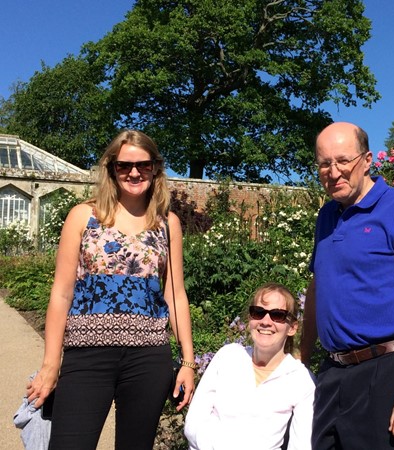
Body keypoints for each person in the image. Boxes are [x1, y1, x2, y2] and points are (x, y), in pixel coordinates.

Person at [25, 130, 196, 449]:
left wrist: (187, 362)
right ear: (111, 169)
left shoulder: (166, 223)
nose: (134, 173)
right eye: (124, 166)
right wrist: (51, 364)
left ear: (155, 168)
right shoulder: (83, 216)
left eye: (144, 165)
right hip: (86, 354)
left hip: (148, 358)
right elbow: (61, 293)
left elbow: (175, 294)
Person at [300, 122, 394, 449]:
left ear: (367, 160)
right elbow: (317, 290)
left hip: (385, 375)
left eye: (343, 161)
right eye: (324, 163)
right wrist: (300, 361)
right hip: (332, 375)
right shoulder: (326, 217)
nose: (333, 172)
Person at [184, 282, 315, 450]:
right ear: (249, 319)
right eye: (258, 312)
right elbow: (195, 422)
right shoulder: (228, 357)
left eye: (278, 315)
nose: (266, 321)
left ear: (292, 328)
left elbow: (302, 445)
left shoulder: (301, 380)